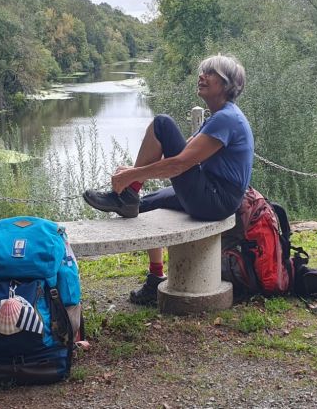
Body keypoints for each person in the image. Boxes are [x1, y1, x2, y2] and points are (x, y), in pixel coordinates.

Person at [83, 54, 254, 305]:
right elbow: (178, 154)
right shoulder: (219, 117)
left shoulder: (226, 119)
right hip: (212, 193)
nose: (201, 76)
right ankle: (155, 277)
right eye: (202, 71)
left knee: (162, 123)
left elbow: (180, 164)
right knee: (145, 204)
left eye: (210, 73)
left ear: (226, 84)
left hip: (217, 199)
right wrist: (135, 171)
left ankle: (129, 193)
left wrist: (132, 175)